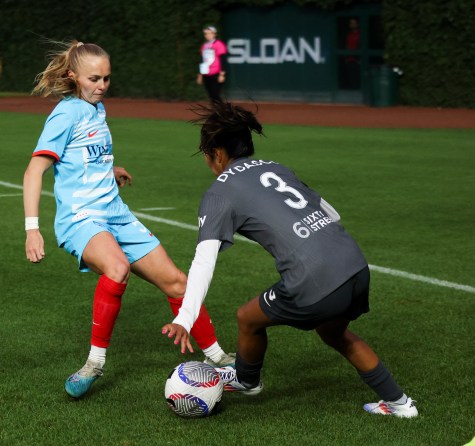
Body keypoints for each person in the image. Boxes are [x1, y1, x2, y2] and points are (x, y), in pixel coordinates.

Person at [162, 101, 418, 418]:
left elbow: (203, 261)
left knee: (247, 318)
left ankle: (246, 380)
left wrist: (184, 318)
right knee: (335, 334)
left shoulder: (219, 191)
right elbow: (330, 213)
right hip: (355, 266)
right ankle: (400, 404)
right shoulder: (275, 167)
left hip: (314, 280)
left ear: (216, 153)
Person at [23, 40, 234, 399]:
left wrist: (109, 169)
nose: (102, 85)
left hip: (115, 213)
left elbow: (85, 155)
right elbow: (34, 171)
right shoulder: (65, 114)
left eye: (106, 78)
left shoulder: (97, 109)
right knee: (117, 268)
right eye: (94, 78)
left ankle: (219, 359)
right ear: (73, 76)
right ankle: (94, 363)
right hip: (80, 218)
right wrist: (32, 230)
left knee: (179, 284)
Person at [197, 25, 227, 103]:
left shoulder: (219, 44)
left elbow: (222, 59)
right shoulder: (204, 46)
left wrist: (222, 74)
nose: (208, 35)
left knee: (215, 94)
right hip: (207, 74)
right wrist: (200, 74)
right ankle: (217, 112)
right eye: (206, 33)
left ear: (214, 34)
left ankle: (224, 111)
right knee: (211, 95)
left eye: (210, 33)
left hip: (216, 73)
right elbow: (202, 60)